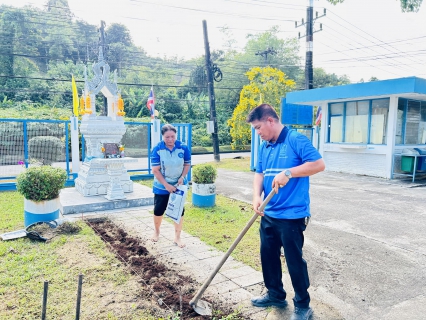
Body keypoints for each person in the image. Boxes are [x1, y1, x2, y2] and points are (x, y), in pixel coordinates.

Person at [247, 104, 325, 320]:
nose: (258, 132)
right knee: (268, 256)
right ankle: (275, 294)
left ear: (270, 121)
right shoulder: (265, 146)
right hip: (269, 213)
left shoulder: (295, 139)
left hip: (292, 216)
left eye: (258, 127)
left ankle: (302, 305)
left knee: (293, 261)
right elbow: (259, 173)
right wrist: (256, 197)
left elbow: (319, 164)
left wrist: (289, 172)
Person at [150, 124, 191, 248]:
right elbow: (156, 170)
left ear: (176, 135)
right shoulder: (157, 149)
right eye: (167, 137)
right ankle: (157, 232)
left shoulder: (183, 147)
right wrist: (166, 185)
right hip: (161, 186)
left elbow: (187, 164)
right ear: (162, 136)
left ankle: (177, 237)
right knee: (158, 210)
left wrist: (182, 177)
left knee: (179, 211)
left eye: (172, 136)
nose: (170, 140)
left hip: (179, 186)